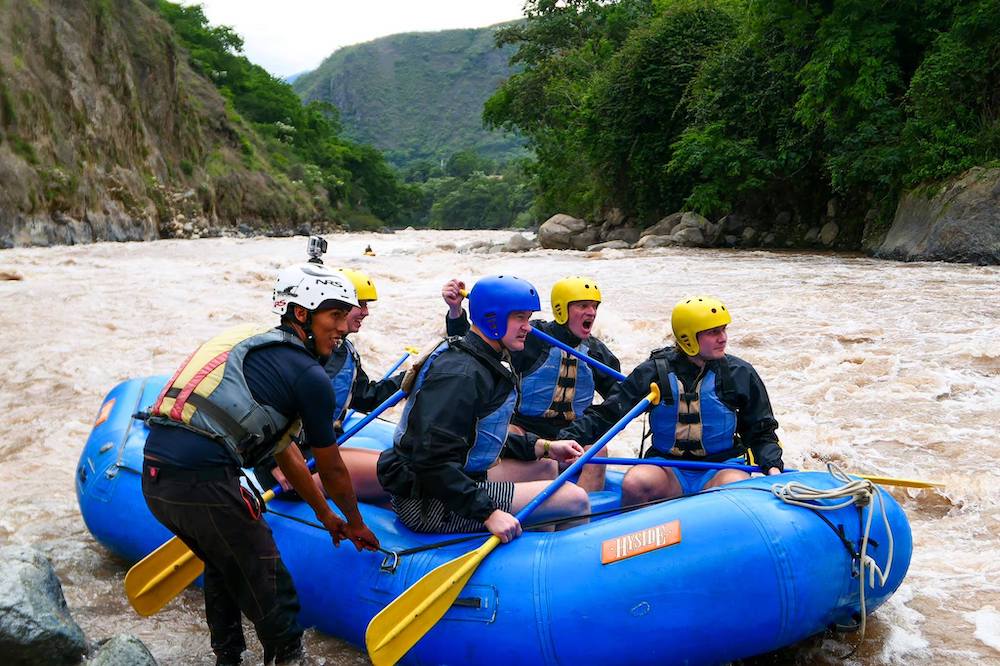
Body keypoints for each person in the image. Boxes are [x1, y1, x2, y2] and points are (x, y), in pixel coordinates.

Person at [141, 263, 380, 665]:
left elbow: (284, 450)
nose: (343, 327)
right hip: (202, 481)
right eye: (334, 315)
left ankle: (228, 657)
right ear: (301, 314)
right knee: (271, 585)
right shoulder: (309, 376)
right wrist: (355, 522)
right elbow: (333, 468)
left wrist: (325, 515)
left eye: (345, 314)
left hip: (158, 476)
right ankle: (288, 658)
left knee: (223, 564)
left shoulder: (256, 348)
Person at [378, 275, 589, 542]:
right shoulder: (461, 374)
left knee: (546, 466)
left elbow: (480, 437)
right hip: (429, 503)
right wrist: (488, 513)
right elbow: (430, 460)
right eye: (519, 318)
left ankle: (533, 549)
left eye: (528, 318)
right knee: (575, 499)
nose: (528, 327)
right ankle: (552, 569)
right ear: (493, 319)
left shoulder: (485, 358)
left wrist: (545, 446)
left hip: (452, 482)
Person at [559, 296, 783, 506]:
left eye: (723, 330)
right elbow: (610, 414)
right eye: (713, 332)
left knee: (734, 489)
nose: (723, 338)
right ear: (689, 338)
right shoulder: (656, 371)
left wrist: (772, 466)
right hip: (668, 467)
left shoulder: (739, 373)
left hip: (720, 467)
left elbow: (761, 429)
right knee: (635, 483)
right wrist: (563, 440)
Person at [441, 276, 622, 492]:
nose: (591, 313)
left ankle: (581, 513)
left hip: (575, 432)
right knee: (508, 432)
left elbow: (619, 399)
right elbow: (473, 352)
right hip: (525, 428)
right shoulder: (531, 337)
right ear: (561, 309)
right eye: (583, 306)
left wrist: (587, 427)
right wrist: (456, 313)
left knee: (598, 450)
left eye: (594, 307)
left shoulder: (597, 354)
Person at [256, 268, 398, 504]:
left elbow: (366, 396)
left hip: (316, 451)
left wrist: (408, 380)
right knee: (400, 472)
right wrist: (272, 461)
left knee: (398, 471)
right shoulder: (306, 355)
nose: (366, 312)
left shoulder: (341, 349)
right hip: (295, 464)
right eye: (360, 304)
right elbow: (263, 406)